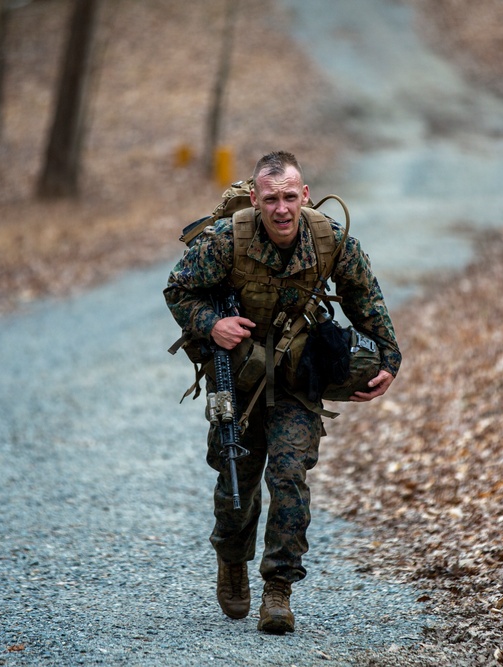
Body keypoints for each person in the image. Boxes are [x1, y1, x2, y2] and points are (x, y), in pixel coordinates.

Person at [164, 150, 400, 634]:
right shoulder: (227, 241)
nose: (281, 208)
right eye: (270, 198)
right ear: (255, 199)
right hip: (238, 377)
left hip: (298, 379)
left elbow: (368, 304)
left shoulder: (331, 240)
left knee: (289, 477)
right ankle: (232, 561)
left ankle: (278, 591)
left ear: (305, 195)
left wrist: (389, 363)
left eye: (290, 196)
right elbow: (177, 289)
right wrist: (213, 324)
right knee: (237, 482)